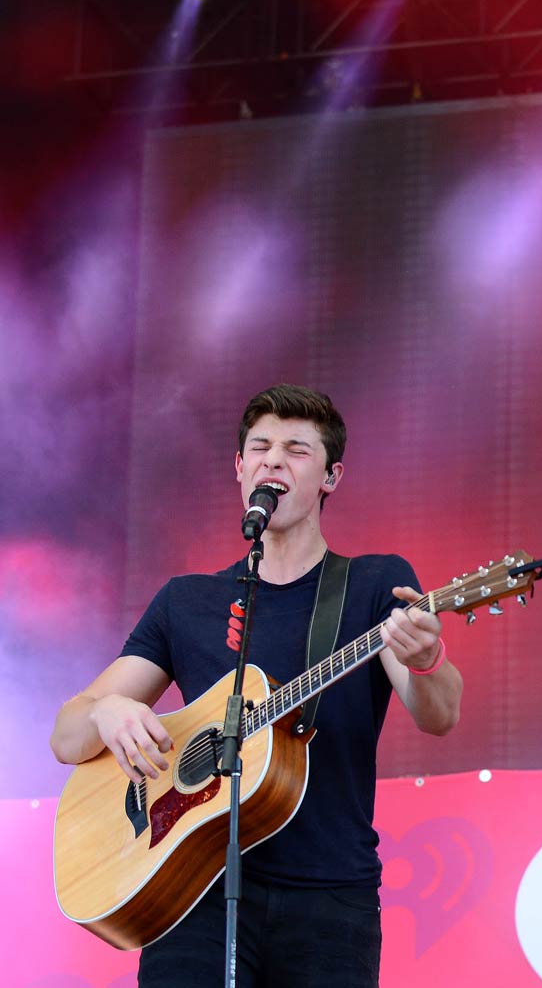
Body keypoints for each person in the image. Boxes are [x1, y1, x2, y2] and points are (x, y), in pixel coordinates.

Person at [50, 384, 464, 987]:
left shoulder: (376, 584)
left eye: (297, 450)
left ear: (331, 476)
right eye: (260, 447)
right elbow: (67, 735)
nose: (274, 460)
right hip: (191, 895)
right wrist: (109, 710)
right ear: (240, 469)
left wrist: (427, 659)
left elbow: (439, 714)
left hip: (329, 900)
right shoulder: (185, 601)